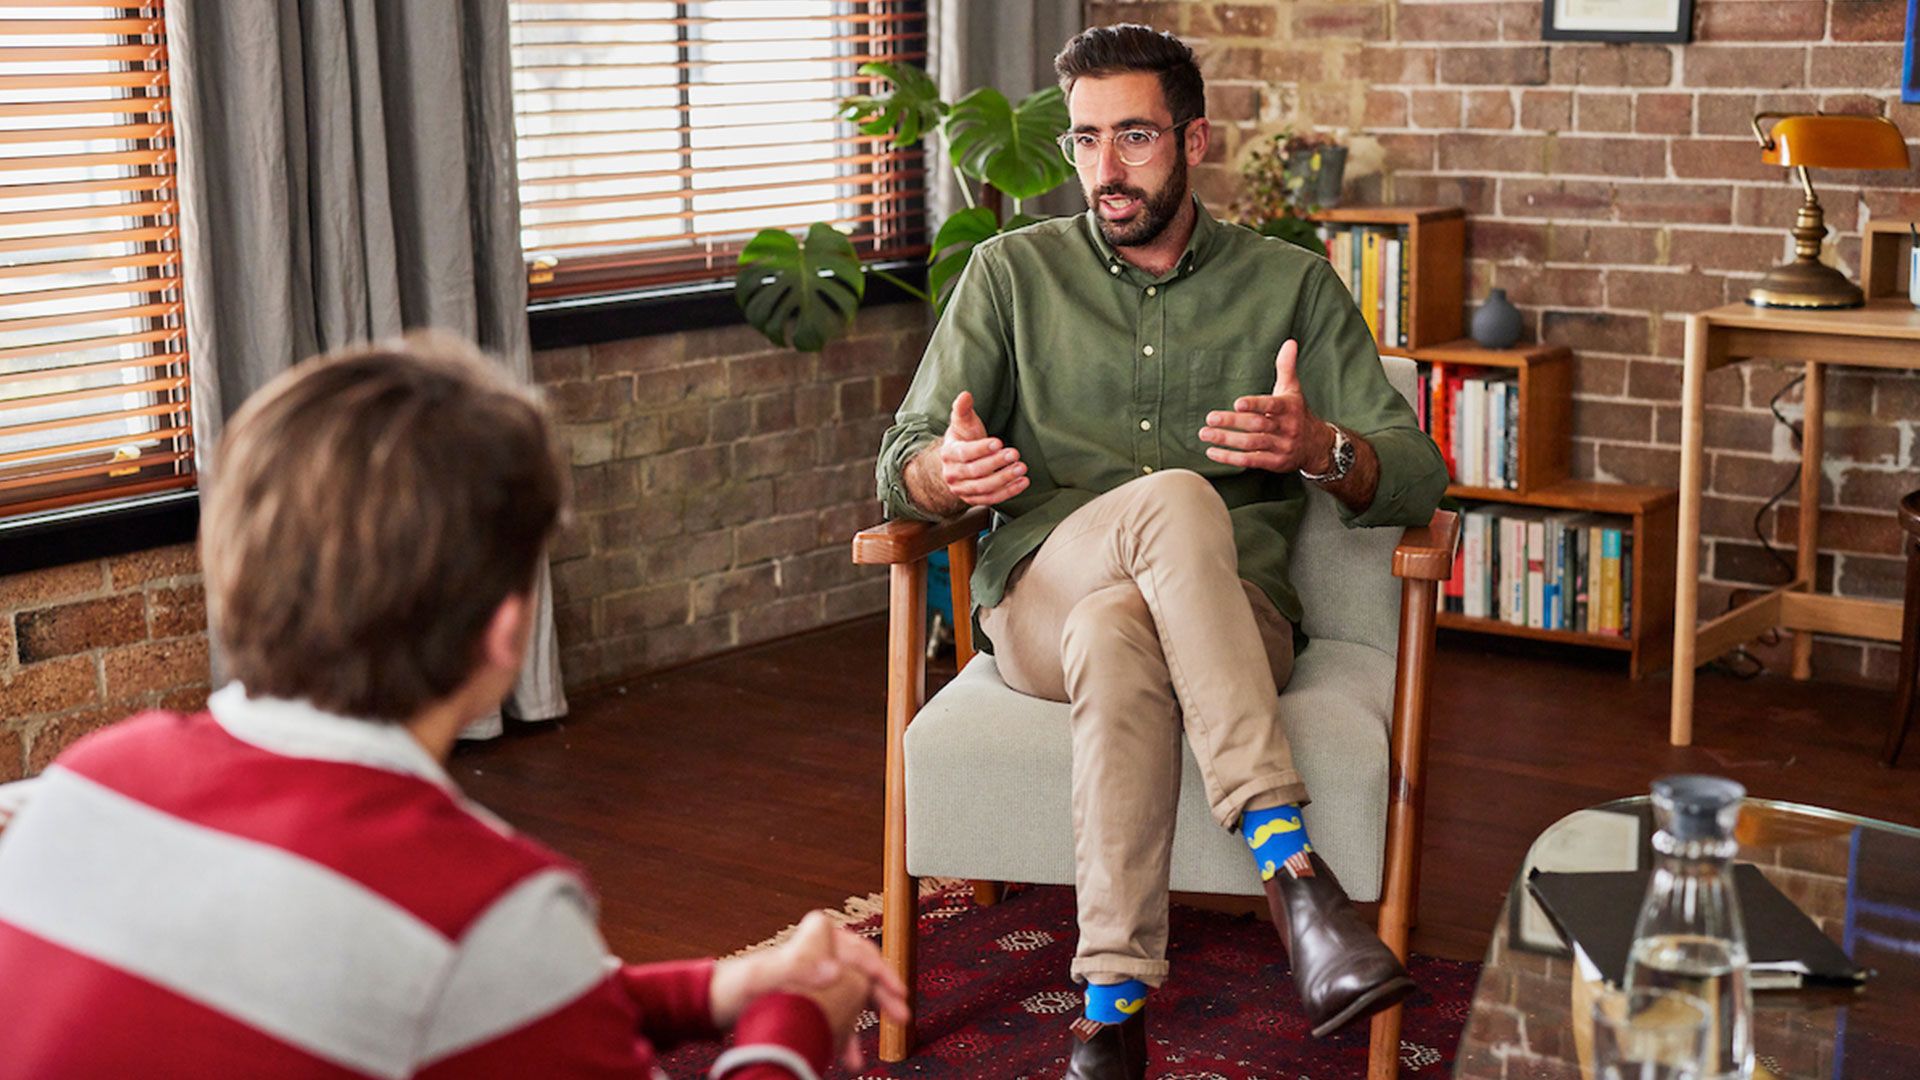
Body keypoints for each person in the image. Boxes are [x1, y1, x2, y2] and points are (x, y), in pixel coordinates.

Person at [0, 333, 907, 1079]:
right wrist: (792, 1023)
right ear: (506, 631)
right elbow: (467, 976)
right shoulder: (481, 911)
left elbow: (440, 1002)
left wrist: (716, 988)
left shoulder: (86, 785)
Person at [874, 23, 1449, 1078]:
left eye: (1133, 136)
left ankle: (1110, 1010)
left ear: (1196, 139)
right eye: (1086, 139)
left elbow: (1416, 472)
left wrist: (1319, 446)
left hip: (1233, 618)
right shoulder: (1010, 274)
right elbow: (902, 457)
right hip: (1042, 596)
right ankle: (1289, 866)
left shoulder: (1291, 285)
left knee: (1120, 629)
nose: (1104, 167)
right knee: (1171, 504)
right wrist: (941, 476)